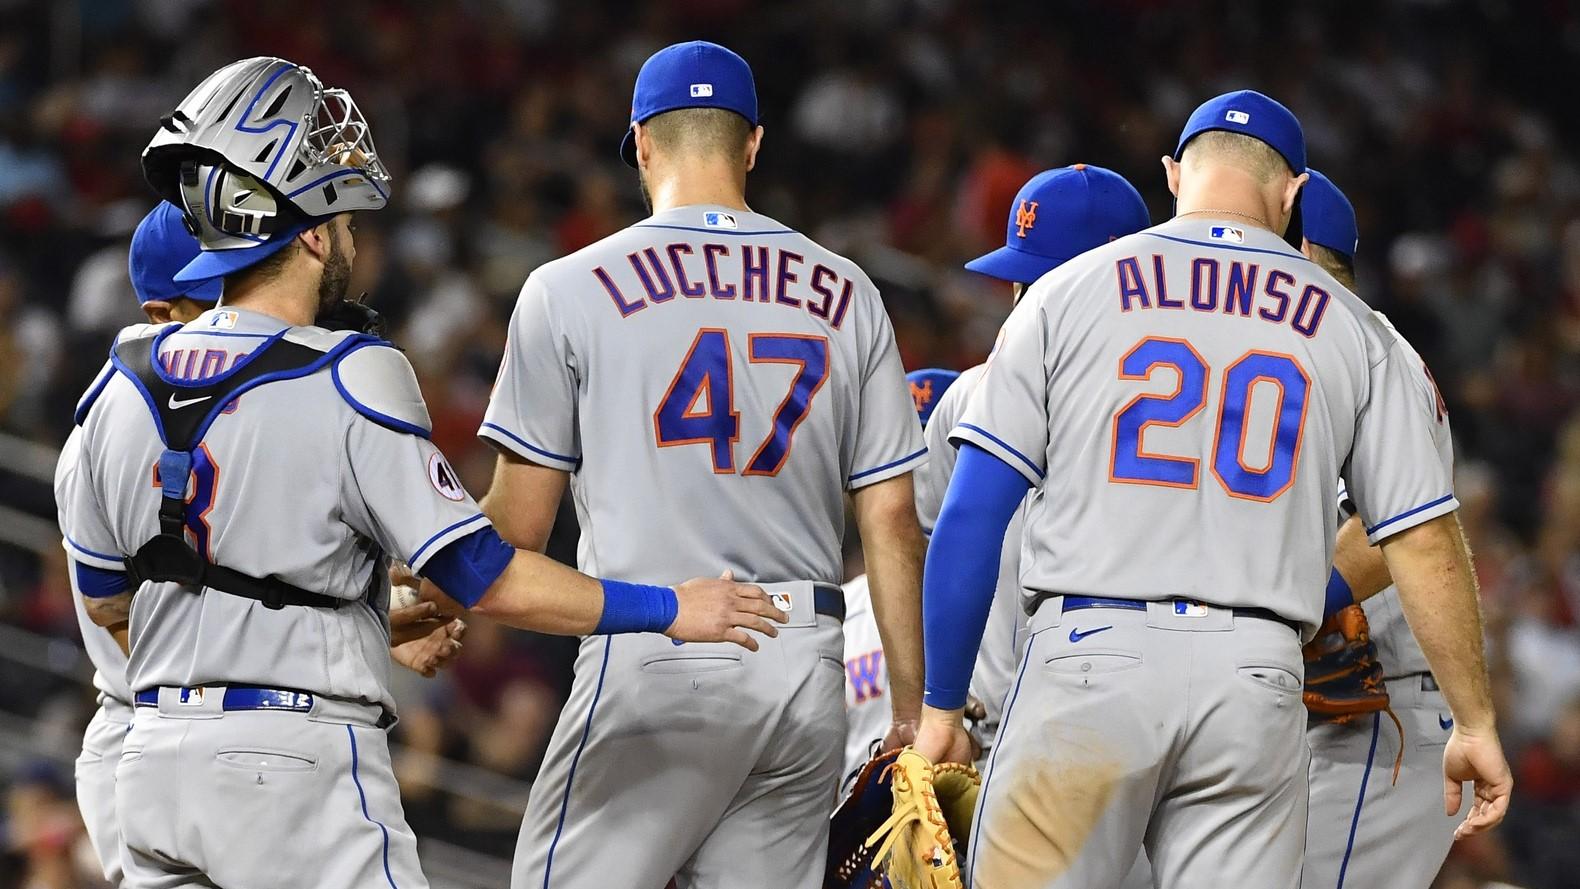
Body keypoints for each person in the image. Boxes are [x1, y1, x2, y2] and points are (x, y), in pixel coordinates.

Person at [55, 56, 780, 889]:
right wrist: (670, 608)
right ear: (315, 232)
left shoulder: (116, 383)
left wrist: (355, 620)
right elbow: (488, 576)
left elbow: (117, 600)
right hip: (294, 774)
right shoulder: (349, 372)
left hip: (149, 767)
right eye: (348, 221)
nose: (356, 240)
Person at [912, 90, 1511, 888]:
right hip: (1255, 677)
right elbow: (1423, 536)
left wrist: (941, 708)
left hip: (1091, 656)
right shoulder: (1357, 329)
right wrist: (1475, 718)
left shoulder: (1066, 291)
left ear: (1171, 173)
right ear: (1293, 190)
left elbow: (971, 513)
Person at [479, 40, 928, 889]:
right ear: (752, 145)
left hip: (658, 636)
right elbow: (892, 522)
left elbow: (515, 531)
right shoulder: (849, 290)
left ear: (642, 143)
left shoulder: (569, 287)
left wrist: (430, 586)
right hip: (805, 661)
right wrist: (910, 708)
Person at [61, 200, 468, 886]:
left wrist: (368, 621)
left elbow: (233, 589)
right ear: (162, 314)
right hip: (163, 725)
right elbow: (143, 618)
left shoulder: (193, 404)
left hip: (179, 748)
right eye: (217, 296)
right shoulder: (122, 420)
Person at [925, 164, 1150, 766]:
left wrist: (936, 705)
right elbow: (931, 549)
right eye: (1019, 283)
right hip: (1009, 733)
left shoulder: (979, 394)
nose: (1019, 301)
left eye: (1038, 283)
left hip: (1078, 722)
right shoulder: (971, 394)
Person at [1298, 168, 1467, 889]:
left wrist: (1289, 613)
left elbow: (1388, 528)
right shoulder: (1339, 344)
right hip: (1351, 719)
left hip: (1378, 718)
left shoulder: (1362, 350)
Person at [841, 366, 957, 782]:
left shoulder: (1014, 611)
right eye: (906, 462)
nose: (918, 482)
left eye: (937, 453)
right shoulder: (837, 617)